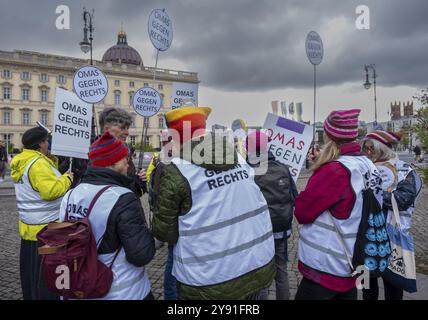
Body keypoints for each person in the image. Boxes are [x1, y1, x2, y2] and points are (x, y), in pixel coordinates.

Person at [152, 106, 275, 300]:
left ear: (176, 135)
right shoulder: (239, 158)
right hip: (257, 265)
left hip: (210, 279)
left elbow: (164, 232)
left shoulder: (177, 169)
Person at [294, 109, 382, 300]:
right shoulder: (368, 165)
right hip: (353, 260)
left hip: (327, 266)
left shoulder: (334, 171)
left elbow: (302, 212)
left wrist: (320, 172)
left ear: (328, 135)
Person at [59, 132, 156, 299]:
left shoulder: (70, 194)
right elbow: (141, 254)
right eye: (125, 158)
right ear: (114, 162)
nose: (127, 163)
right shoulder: (122, 197)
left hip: (79, 285)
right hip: (121, 290)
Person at [10, 127, 73, 300]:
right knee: (48, 279)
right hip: (48, 229)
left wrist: (52, 161)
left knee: (32, 275)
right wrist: (68, 178)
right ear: (40, 144)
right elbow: (50, 190)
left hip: (31, 229)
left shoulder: (24, 160)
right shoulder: (37, 164)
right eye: (46, 141)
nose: (48, 144)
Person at [361, 130, 422, 300]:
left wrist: (372, 195)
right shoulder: (364, 168)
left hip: (392, 237)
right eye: (365, 148)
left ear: (382, 148)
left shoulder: (404, 169)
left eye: (371, 148)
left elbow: (403, 199)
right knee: (367, 285)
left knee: (393, 286)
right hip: (365, 236)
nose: (368, 152)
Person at [246, 131, 298, 300]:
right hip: (281, 229)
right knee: (281, 271)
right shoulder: (283, 167)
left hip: (258, 232)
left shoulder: (247, 170)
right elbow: (295, 197)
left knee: (260, 275)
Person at [98, 107, 147, 196]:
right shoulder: (93, 155)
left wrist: (138, 182)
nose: (127, 133)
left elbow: (130, 192)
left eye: (127, 128)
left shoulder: (124, 153)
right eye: (122, 128)